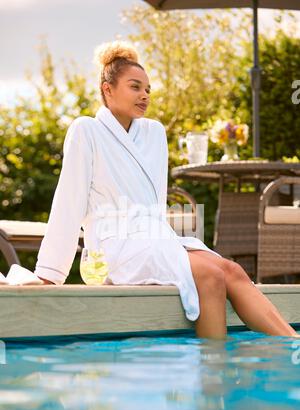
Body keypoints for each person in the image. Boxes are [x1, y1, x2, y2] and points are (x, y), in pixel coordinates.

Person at [34, 41, 299, 340]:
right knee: (210, 275)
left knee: (233, 271)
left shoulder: (154, 133)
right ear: (108, 89)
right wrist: (49, 274)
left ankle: (293, 345)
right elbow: (69, 204)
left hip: (154, 238)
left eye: (148, 89)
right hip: (115, 247)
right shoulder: (86, 130)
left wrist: (165, 242)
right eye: (135, 87)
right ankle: (214, 371)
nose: (144, 95)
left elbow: (155, 202)